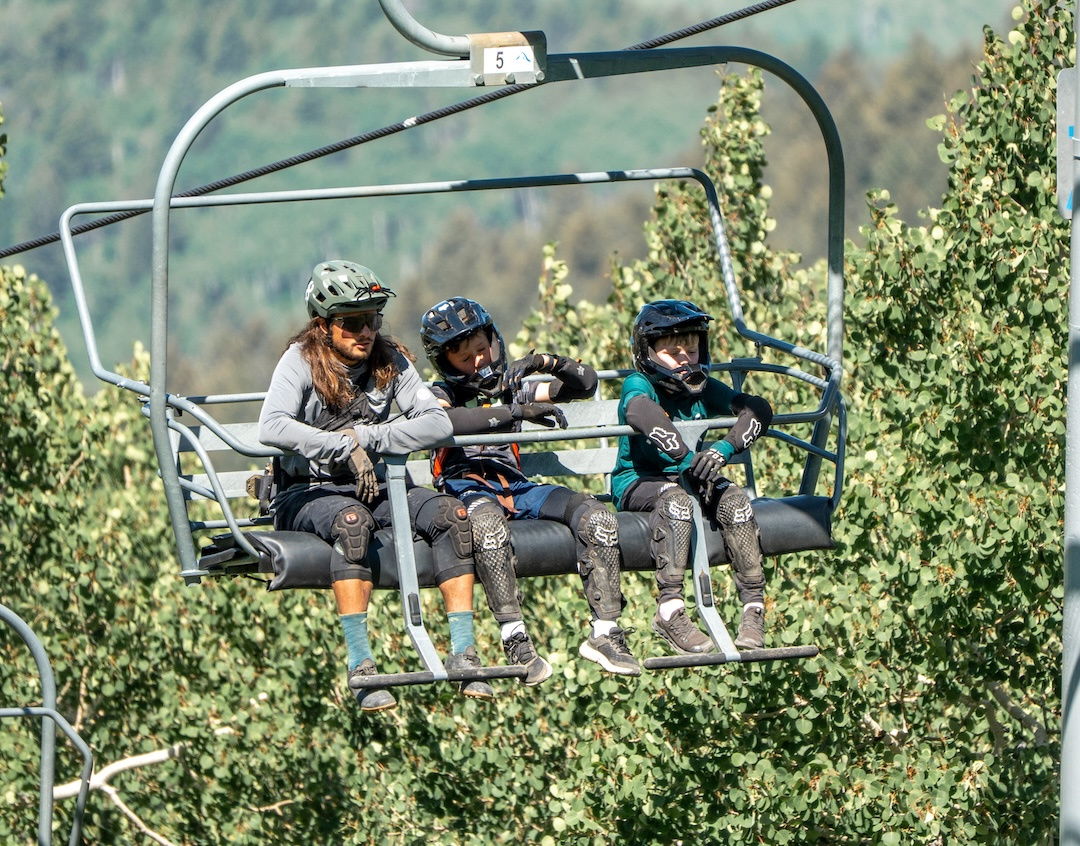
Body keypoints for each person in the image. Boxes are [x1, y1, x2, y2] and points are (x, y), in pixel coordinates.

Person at [259, 261, 494, 713]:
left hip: (382, 486)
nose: (364, 332)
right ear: (324, 325)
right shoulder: (300, 361)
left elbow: (436, 423)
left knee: (453, 515)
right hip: (309, 492)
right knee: (353, 524)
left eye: (372, 320)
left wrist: (369, 439)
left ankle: (464, 651)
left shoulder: (391, 360)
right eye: (351, 323)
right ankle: (362, 665)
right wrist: (337, 448)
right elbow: (271, 426)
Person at [419, 297, 641, 685]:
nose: (479, 363)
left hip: (518, 488)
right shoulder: (441, 394)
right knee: (487, 527)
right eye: (465, 358)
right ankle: (515, 638)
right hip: (467, 488)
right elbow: (444, 421)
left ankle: (605, 632)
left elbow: (585, 384)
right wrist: (514, 413)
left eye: (482, 350)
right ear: (445, 363)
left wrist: (542, 363)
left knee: (597, 517)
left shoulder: (512, 386)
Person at [611, 299, 774, 653]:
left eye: (692, 349)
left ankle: (753, 609)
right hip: (639, 481)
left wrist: (722, 450)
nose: (685, 358)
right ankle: (669, 609)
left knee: (735, 502)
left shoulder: (704, 386)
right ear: (649, 353)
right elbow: (640, 412)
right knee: (678, 502)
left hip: (689, 478)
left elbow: (756, 409)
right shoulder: (639, 384)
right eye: (673, 352)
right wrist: (685, 458)